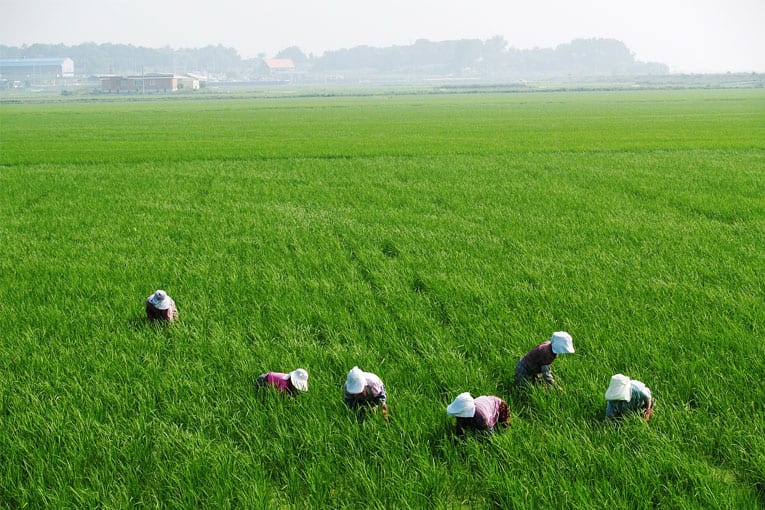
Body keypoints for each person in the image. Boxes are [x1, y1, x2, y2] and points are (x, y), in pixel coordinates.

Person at [446, 392, 510, 436]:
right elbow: (460, 430)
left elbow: (490, 433)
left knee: (502, 426)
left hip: (498, 405)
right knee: (465, 423)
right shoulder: (460, 414)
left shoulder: (481, 418)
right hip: (484, 402)